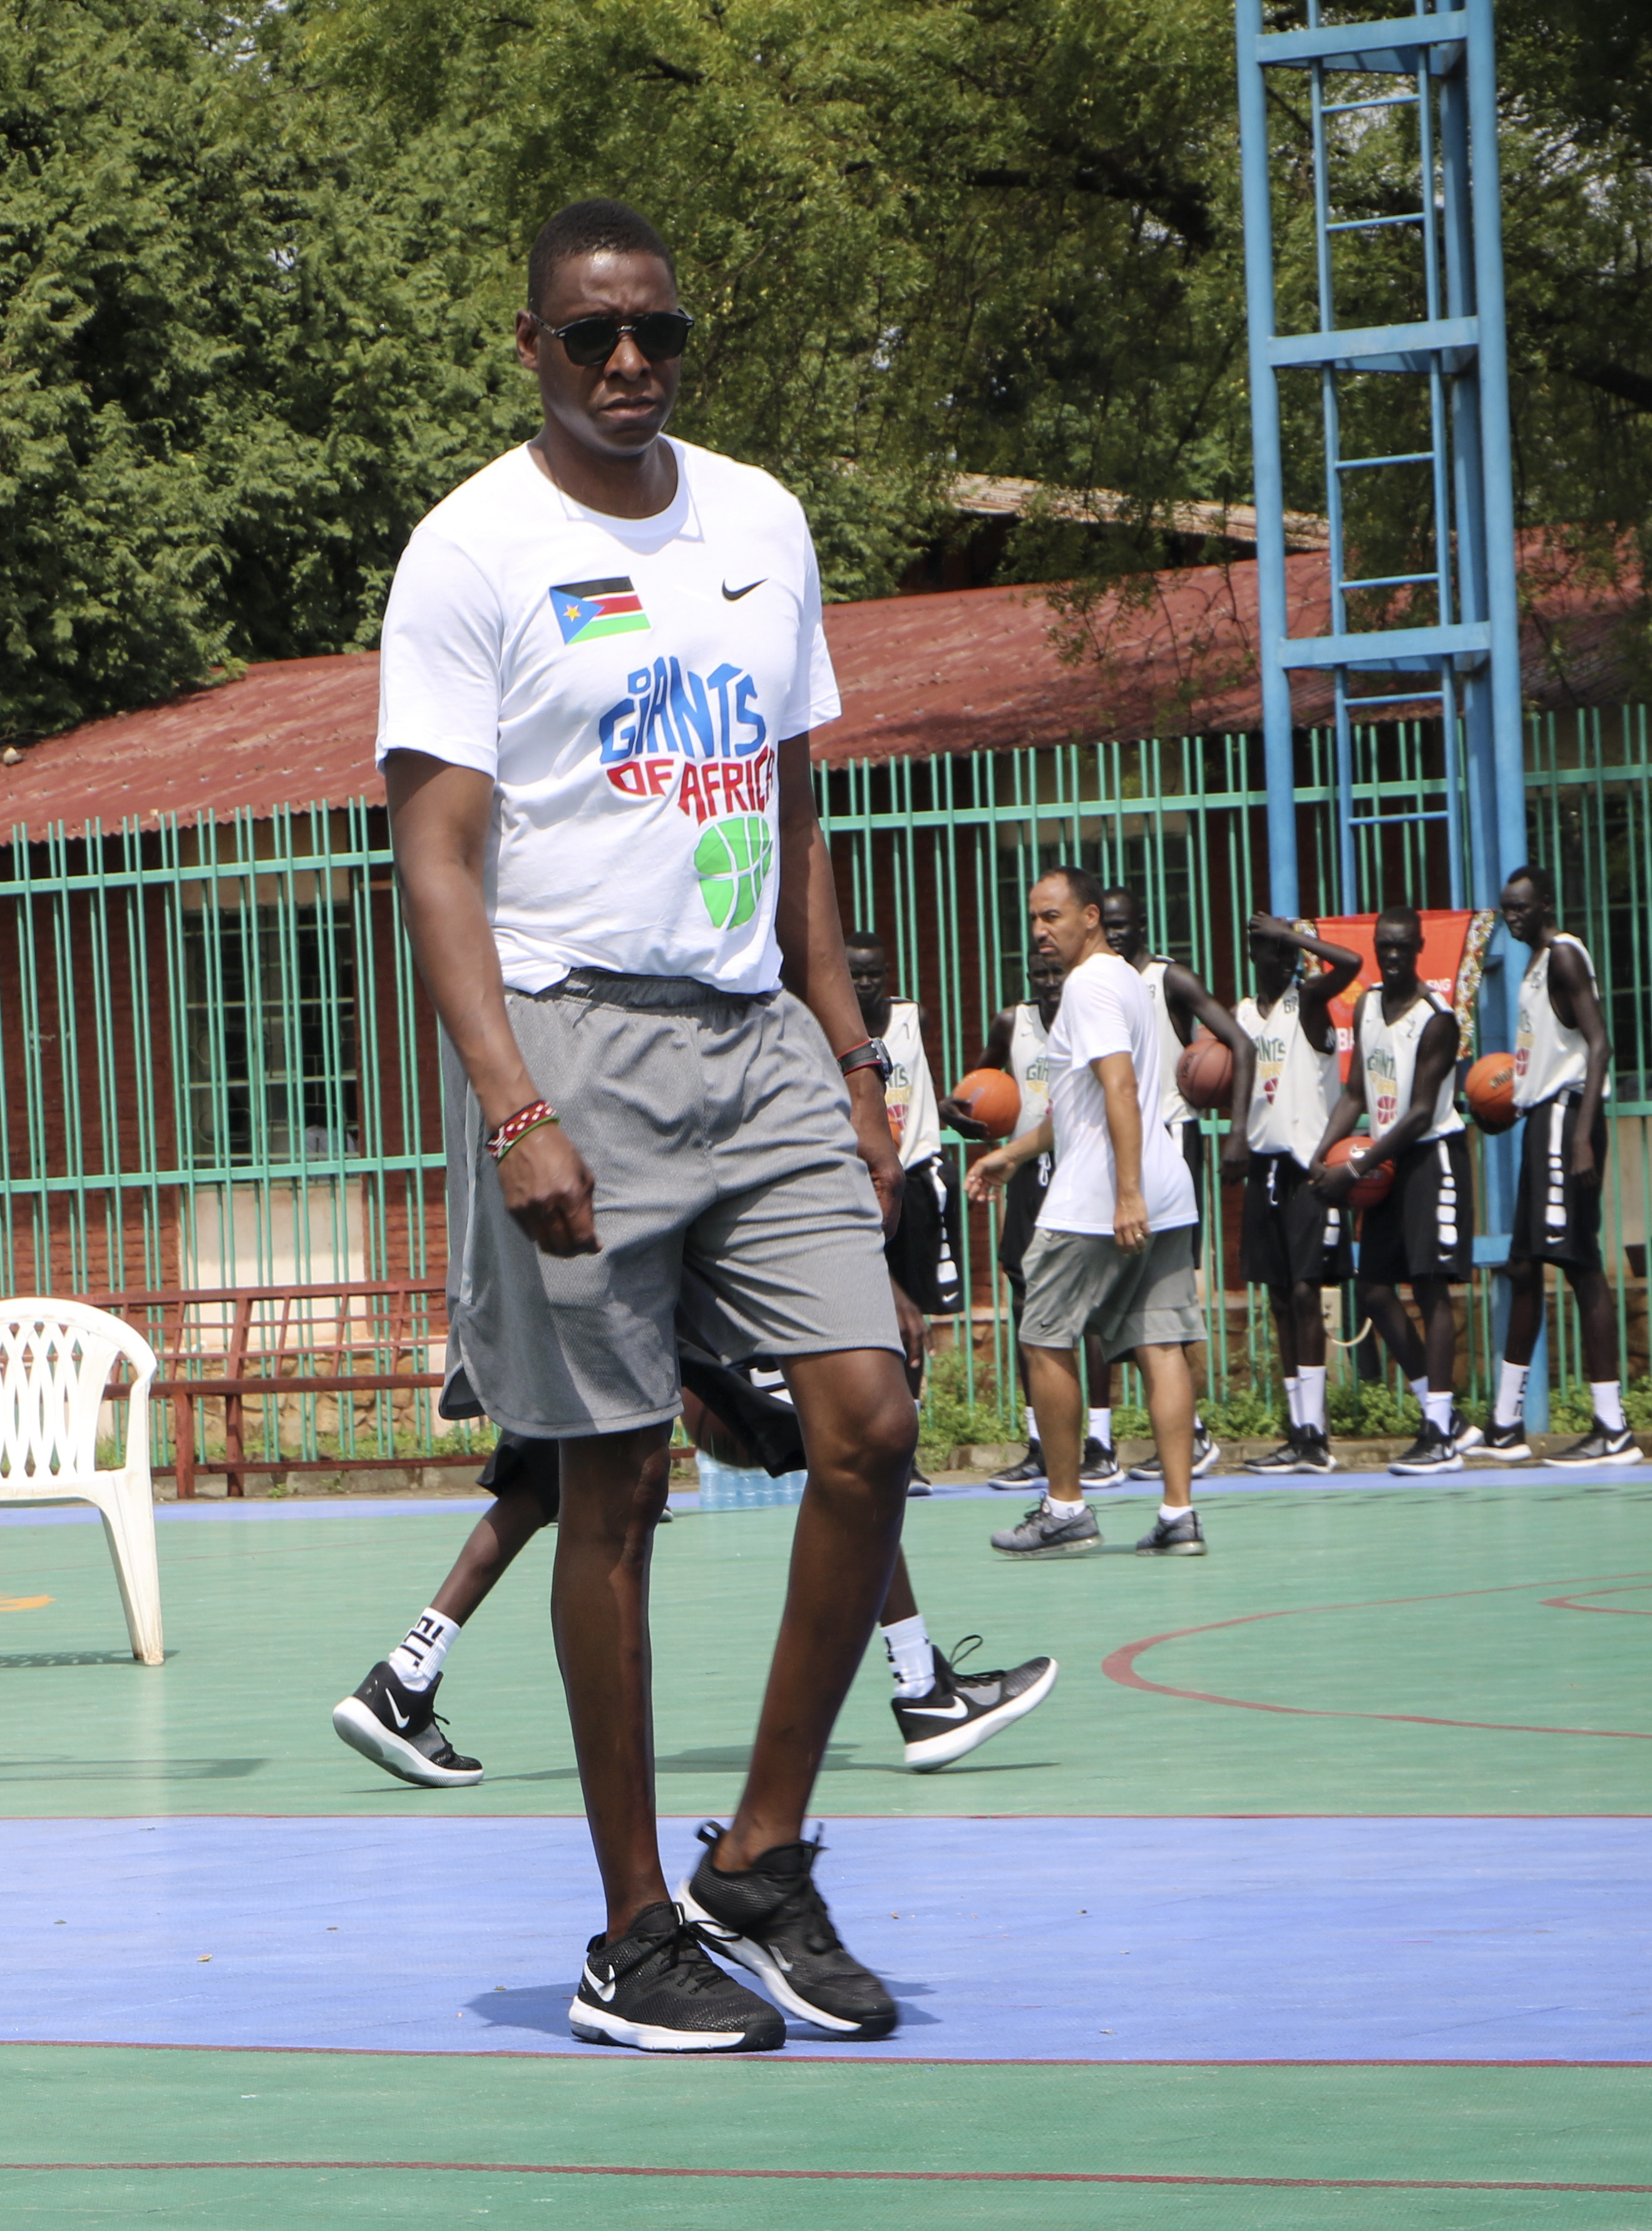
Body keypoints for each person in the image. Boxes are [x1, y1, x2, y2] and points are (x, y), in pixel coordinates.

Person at [377, 197, 917, 2053]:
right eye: (594, 335)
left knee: (870, 1418)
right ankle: (629, 1929)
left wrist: (849, 1059)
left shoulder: (761, 521)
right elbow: (435, 855)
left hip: (755, 1027)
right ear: (530, 342)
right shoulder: (474, 549)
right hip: (573, 1034)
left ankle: (759, 1853)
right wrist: (511, 1100)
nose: (630, 365)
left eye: (658, 336)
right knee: (612, 1484)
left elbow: (795, 802)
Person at [335, 1354, 1056, 1788]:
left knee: (544, 1478)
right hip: (665, 1250)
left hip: (567, 1261)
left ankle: (406, 1673)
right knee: (842, 1445)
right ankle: (922, 1687)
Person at [965, 866, 1209, 1557]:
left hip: (1101, 1196)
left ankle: (1066, 1506)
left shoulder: (1090, 984)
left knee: (1044, 1335)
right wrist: (1012, 1154)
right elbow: (1077, 1104)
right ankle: (1178, 1514)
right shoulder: (1130, 980)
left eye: (1053, 917)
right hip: (1166, 1184)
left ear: (1092, 916)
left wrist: (1125, 1190)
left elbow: (1119, 1086)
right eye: (1034, 920)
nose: (1040, 932)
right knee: (1161, 1344)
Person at [1468, 864, 1639, 1465]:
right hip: (1544, 1120)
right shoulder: (1535, 966)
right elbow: (1551, 1055)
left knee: (1580, 1265)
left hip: (1569, 1122)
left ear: (1545, 903)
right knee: (1521, 1265)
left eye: (1520, 908)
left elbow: (1599, 1044)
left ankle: (1612, 1427)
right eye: (1505, 909)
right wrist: (1512, 1106)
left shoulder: (1565, 956)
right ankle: (1505, 1424)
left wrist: (1583, 1137)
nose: (1512, 918)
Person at [1093, 884, 1244, 1486]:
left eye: (1126, 922)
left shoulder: (1169, 979)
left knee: (1153, 1298)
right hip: (1120, 1151)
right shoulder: (1098, 982)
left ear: (1144, 923)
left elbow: (1238, 1042)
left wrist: (1235, 1132)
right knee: (1118, 1302)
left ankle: (1194, 1433)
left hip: (1170, 1141)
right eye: (1108, 922)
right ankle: (1191, 1430)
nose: (1117, 931)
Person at [1315, 907, 1475, 1475]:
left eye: (1402, 946)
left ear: (1419, 948)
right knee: (1375, 1290)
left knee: (1430, 1288)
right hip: (1385, 1161)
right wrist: (1322, 1153)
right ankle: (1445, 1417)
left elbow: (1418, 1113)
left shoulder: (1437, 1020)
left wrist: (1355, 1170)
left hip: (1430, 1156)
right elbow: (1356, 1092)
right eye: (1384, 945)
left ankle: (1437, 1432)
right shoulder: (1366, 1005)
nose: (1391, 954)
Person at [1229, 913, 1362, 1474]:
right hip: (1263, 1164)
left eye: (1288, 951)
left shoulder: (1306, 1000)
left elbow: (1352, 964)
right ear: (1252, 954)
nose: (1282, 959)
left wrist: (1296, 937)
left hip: (1309, 1166)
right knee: (1279, 1297)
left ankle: (1317, 1434)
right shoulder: (1239, 1013)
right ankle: (1295, 1430)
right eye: (1270, 949)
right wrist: (1234, 1134)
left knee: (1308, 1293)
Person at [943, 940, 1067, 1488]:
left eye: (1056, 970)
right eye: (1039, 972)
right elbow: (976, 1092)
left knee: (1085, 1307)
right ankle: (1039, 1441)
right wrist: (961, 1113)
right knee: (1024, 1300)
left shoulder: (1092, 1017)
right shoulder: (1010, 1023)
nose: (1048, 981)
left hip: (1081, 1167)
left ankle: (1097, 1441)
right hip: (1027, 1170)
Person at [848, 929, 958, 1494]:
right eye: (856, 974)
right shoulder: (830, 1029)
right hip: (858, 1181)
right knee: (870, 1318)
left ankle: (907, 1452)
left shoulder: (913, 1017)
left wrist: (945, 1112)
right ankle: (874, 1439)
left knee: (914, 1315)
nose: (865, 982)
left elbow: (916, 1089)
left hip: (913, 1178)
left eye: (874, 973)